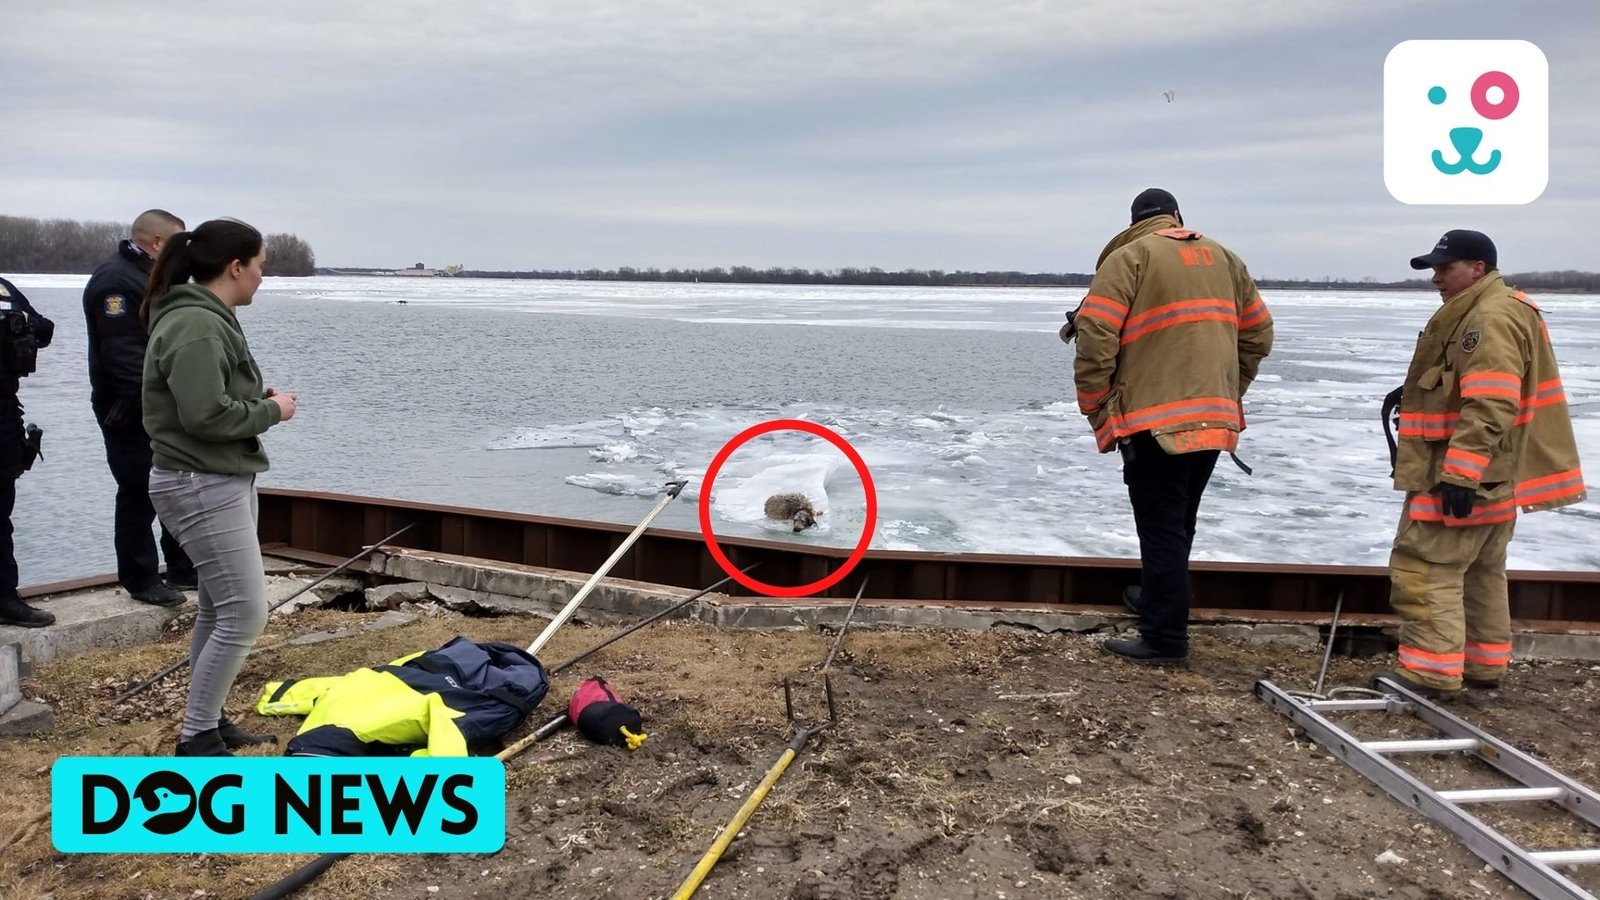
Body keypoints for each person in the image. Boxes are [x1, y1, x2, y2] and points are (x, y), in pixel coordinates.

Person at [1072, 188, 1274, 665]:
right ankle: (1159, 599)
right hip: (1214, 419)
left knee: (1161, 527)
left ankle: (1164, 638)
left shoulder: (1129, 258)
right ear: (1176, 216)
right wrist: (1229, 388)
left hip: (1153, 421)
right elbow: (1259, 334)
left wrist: (1096, 405)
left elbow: (1095, 335)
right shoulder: (1227, 259)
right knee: (1180, 521)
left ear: (1134, 221)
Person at [1383, 230, 1585, 697]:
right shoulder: (1495, 309)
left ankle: (1429, 673)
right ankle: (1481, 665)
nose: (1436, 278)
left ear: (1477, 268)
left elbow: (1490, 402)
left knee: (1425, 567)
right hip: (1495, 477)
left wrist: (1460, 472)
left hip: (1462, 476)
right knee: (1481, 572)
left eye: (1444, 268)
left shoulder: (1488, 318)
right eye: (1434, 269)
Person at [141, 219, 296, 755]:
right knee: (246, 611)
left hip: (217, 476)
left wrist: (257, 401)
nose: (261, 277)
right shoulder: (196, 325)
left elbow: (210, 396)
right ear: (235, 267)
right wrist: (271, 410)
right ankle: (197, 740)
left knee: (217, 606)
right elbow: (204, 415)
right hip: (199, 481)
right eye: (260, 267)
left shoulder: (207, 318)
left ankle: (206, 720)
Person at [83, 209, 196, 606]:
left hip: (159, 409)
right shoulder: (117, 282)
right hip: (129, 410)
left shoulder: (154, 278)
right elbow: (125, 358)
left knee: (175, 485)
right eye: (180, 243)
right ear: (157, 243)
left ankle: (183, 568)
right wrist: (160, 406)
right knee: (137, 490)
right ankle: (140, 578)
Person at [0, 276, 55, 628]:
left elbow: (44, 331)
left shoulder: (3, 290)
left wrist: (20, 324)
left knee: (0, 513)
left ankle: (4, 599)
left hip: (2, 410)